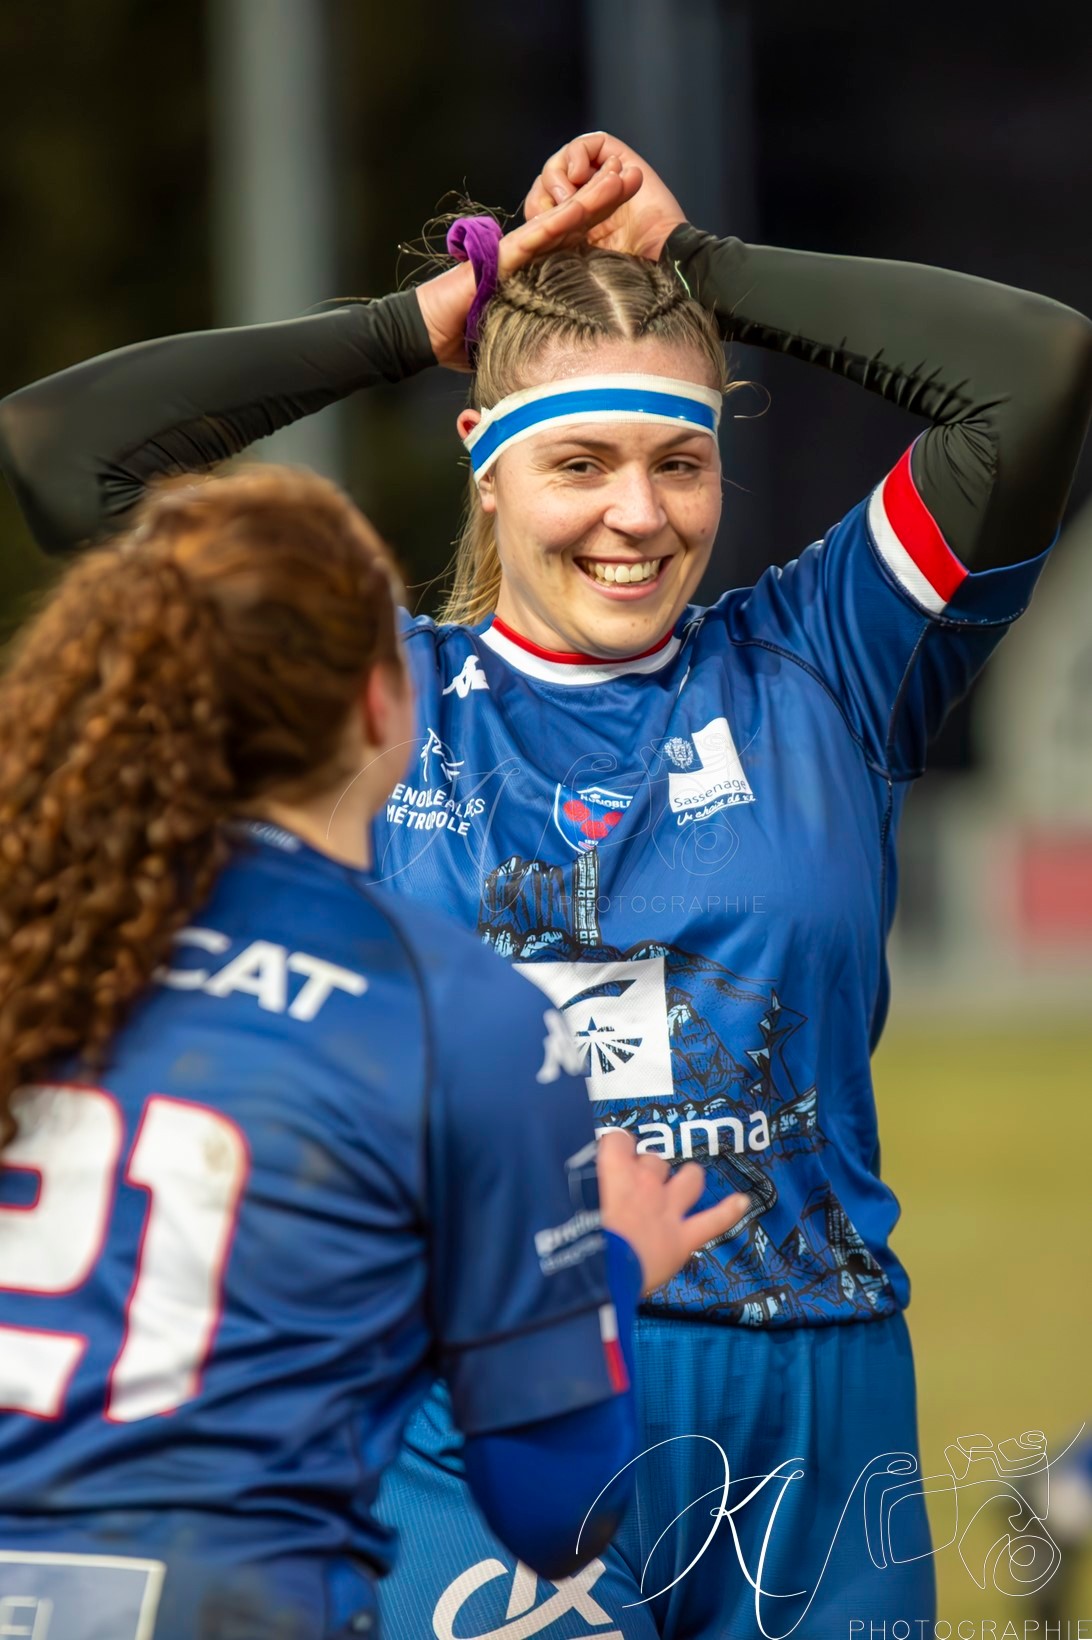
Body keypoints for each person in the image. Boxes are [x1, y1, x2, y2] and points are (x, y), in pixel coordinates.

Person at [1, 128, 1090, 1638]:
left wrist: (696, 271)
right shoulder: (370, 702)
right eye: (580, 462)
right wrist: (415, 325)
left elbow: (1032, 370)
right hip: (485, 1388)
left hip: (822, 1420)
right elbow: (66, 448)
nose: (638, 516)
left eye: (680, 462)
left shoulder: (829, 661)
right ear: (487, 468)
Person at [0, 463, 748, 1640]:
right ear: (375, 703)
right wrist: (607, 1263)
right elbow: (556, 1508)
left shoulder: (33, 940)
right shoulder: (451, 1009)